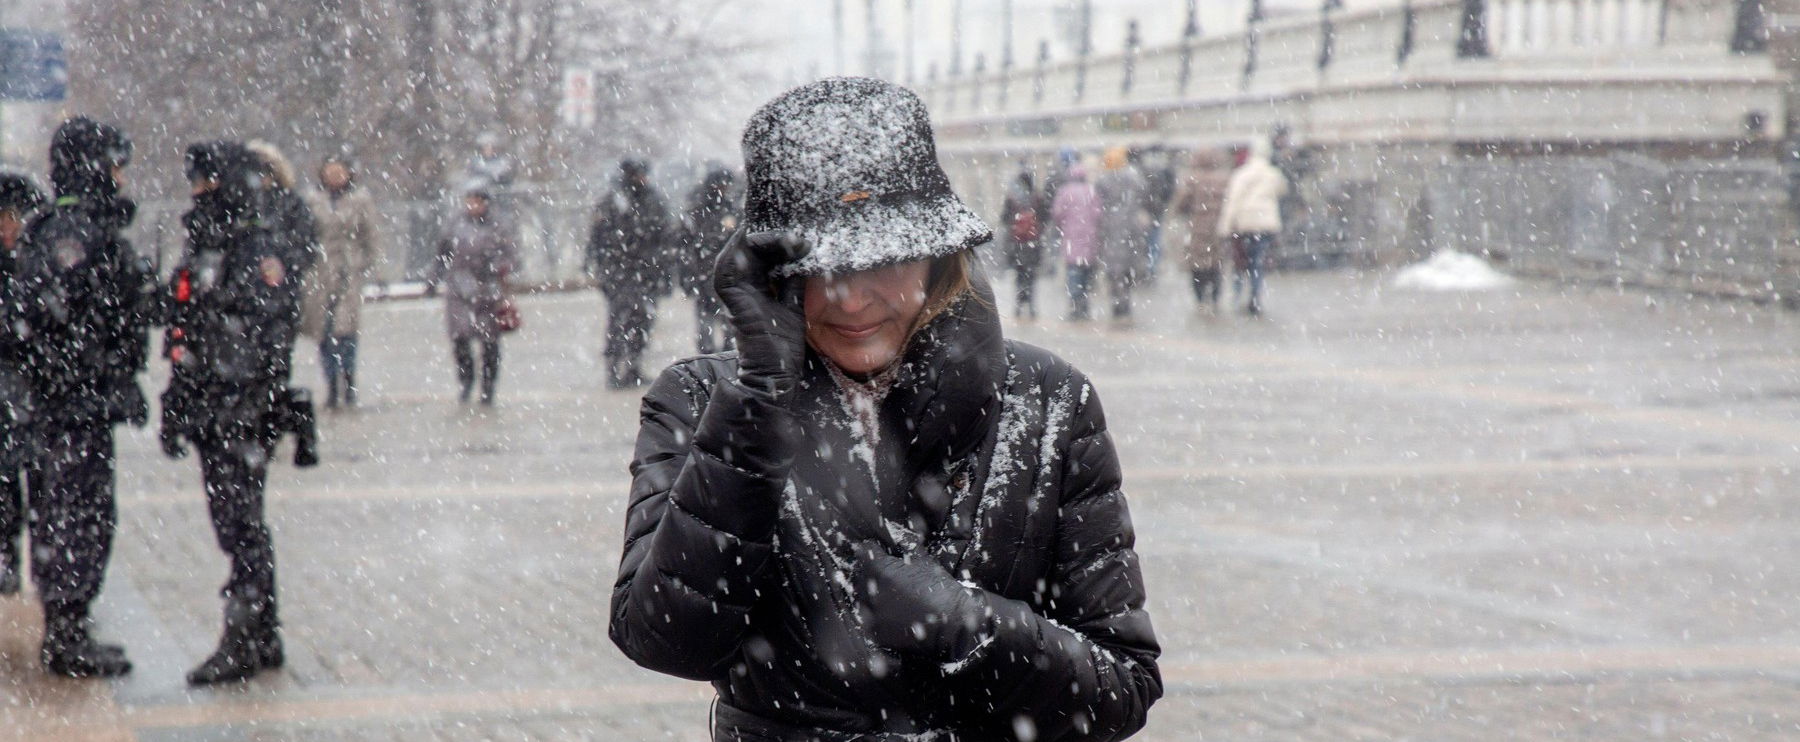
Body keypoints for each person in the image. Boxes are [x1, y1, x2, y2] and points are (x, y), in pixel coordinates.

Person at [609, 77, 1161, 742]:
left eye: (882, 260)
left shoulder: (1048, 400)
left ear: (935, 255)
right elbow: (666, 639)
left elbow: (1122, 687)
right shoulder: (701, 403)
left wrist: (968, 626)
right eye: (819, 265)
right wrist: (756, 405)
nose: (850, 298)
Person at [161, 140, 318, 685]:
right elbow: (188, 320)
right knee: (236, 522)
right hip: (213, 407)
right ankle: (263, 631)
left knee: (241, 526)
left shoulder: (255, 246)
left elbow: (266, 334)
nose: (197, 192)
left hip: (239, 410)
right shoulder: (210, 240)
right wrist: (181, 395)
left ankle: (243, 636)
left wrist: (234, 398)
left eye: (205, 182)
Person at [5, 116, 154, 677]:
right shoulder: (73, 234)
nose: (120, 176)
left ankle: (69, 626)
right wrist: (99, 371)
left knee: (73, 514)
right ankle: (66, 634)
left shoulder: (62, 227)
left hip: (68, 406)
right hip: (72, 408)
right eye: (113, 164)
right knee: (75, 516)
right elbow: (55, 322)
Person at [301, 155, 382, 408]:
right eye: (330, 172)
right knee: (323, 331)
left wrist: (364, 264)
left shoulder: (360, 201)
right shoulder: (312, 201)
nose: (335, 177)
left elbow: (371, 236)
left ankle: (349, 380)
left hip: (348, 272)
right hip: (320, 273)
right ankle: (331, 383)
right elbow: (304, 234)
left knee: (346, 331)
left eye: (340, 172)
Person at [585, 159, 672, 388]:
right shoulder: (613, 201)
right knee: (618, 320)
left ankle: (633, 367)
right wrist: (597, 263)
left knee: (643, 320)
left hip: (645, 271)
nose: (639, 179)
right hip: (620, 271)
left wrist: (663, 267)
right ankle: (614, 369)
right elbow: (597, 235)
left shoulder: (653, 201)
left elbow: (665, 236)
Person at [429, 185, 516, 405]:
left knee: (490, 341)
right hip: (459, 288)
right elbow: (442, 253)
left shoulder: (499, 226)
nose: (473, 206)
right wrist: (433, 278)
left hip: (488, 288)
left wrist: (498, 267)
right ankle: (466, 381)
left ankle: (488, 386)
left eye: (478, 201)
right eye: (470, 201)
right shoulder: (454, 224)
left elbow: (510, 255)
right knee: (460, 337)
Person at [0, 172, 45, 596]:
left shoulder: (40, 263)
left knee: (42, 478)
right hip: (8, 386)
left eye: (15, 217)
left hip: (38, 386)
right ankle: (6, 552)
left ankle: (45, 561)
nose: (8, 228)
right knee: (5, 478)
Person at [1217, 136, 1288, 315]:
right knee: (1258, 263)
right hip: (1266, 225)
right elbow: (1283, 190)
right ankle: (1255, 297)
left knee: (1240, 263)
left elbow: (1232, 201)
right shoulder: (1272, 174)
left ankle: (1237, 296)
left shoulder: (1241, 174)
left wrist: (1226, 226)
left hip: (1245, 224)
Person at [679, 166, 738, 354]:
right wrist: (688, 275)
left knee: (728, 324)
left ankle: (726, 356)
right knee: (707, 321)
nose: (724, 188)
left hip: (726, 275)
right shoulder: (697, 211)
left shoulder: (731, 210)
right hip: (704, 274)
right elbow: (684, 245)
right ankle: (709, 356)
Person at [1165, 149, 1232, 309]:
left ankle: (1201, 299)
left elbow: (1181, 204)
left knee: (1197, 264)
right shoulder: (1224, 180)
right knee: (1216, 263)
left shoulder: (1192, 180)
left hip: (1197, 227)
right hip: (1218, 227)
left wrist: (1175, 213)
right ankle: (1215, 298)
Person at [1093, 146, 1153, 321]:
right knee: (1127, 270)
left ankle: (1117, 304)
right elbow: (1144, 197)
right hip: (1131, 230)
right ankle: (1125, 303)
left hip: (1111, 229)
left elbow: (1097, 208)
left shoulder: (1102, 183)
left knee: (1114, 272)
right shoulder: (1134, 180)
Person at [1051, 164, 1101, 321]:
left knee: (1073, 271)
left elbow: (1057, 213)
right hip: (1089, 238)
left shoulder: (1065, 191)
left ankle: (1074, 304)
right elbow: (1098, 213)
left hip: (1071, 237)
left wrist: (1064, 226)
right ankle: (1084, 304)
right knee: (1086, 271)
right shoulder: (1091, 191)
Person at [998, 169, 1046, 319]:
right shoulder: (1037, 198)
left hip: (1017, 244)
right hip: (1033, 243)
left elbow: (1004, 219)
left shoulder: (1012, 199)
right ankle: (1031, 306)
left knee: (1019, 275)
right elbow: (1045, 218)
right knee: (1031, 275)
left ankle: (1019, 305)